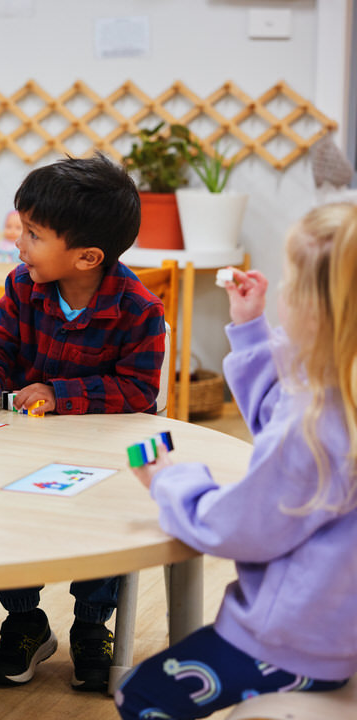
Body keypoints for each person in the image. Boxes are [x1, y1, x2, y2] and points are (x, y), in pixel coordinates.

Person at [116, 203, 357, 719]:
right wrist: (249, 329)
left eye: (293, 282)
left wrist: (169, 481)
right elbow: (282, 410)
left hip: (290, 643)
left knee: (138, 695)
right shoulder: (338, 397)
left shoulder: (314, 424)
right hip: (339, 631)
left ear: (315, 309)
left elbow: (239, 528)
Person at [0, 153, 166, 693]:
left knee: (106, 530)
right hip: (22, 447)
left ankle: (93, 627)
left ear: (87, 256)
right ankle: (25, 620)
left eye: (32, 233)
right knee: (5, 521)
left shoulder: (139, 310)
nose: (19, 244)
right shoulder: (23, 286)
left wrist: (60, 393)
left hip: (102, 456)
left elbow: (139, 390)